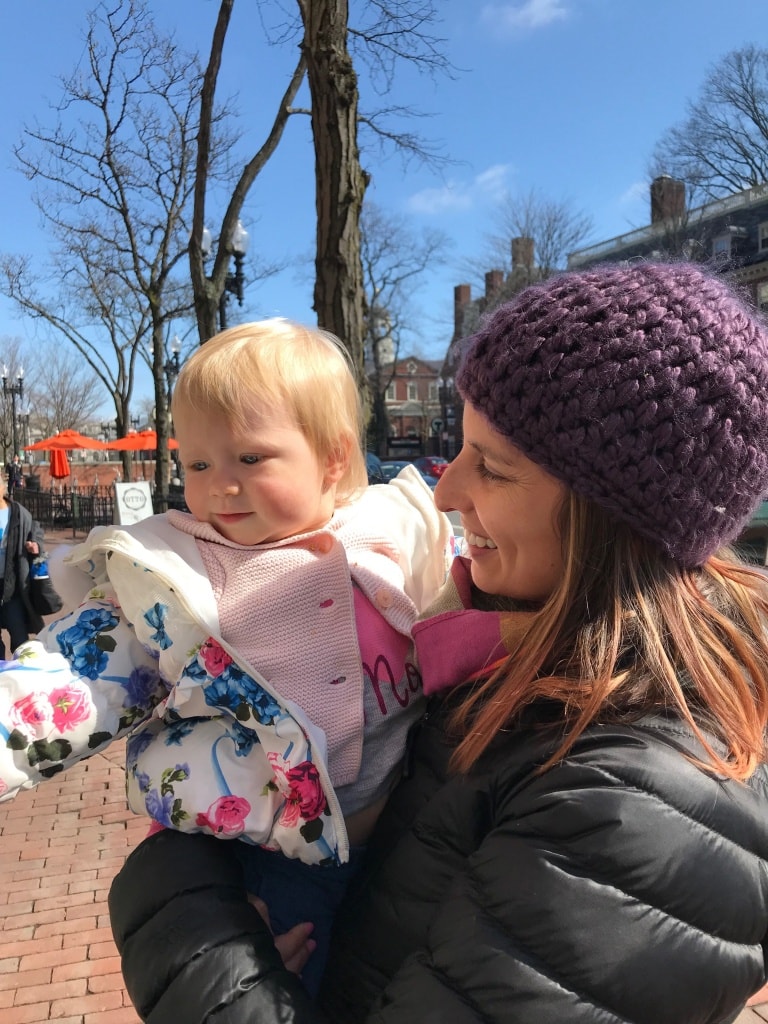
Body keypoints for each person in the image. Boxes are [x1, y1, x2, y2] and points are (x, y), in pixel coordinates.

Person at [109, 261, 768, 1024]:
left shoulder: (632, 807)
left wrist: (192, 925)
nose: (446, 491)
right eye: (462, 448)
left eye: (493, 467)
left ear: (610, 517)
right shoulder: (500, 647)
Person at [0, 319, 453, 995]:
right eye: (199, 465)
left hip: (401, 828)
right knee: (293, 986)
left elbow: (458, 596)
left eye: (249, 458)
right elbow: (80, 673)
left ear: (332, 458)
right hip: (275, 857)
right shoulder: (180, 573)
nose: (220, 486)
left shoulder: (385, 530)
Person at [0, 489, 44, 659]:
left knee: (19, 637)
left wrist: (36, 545)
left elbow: (36, 532)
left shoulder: (19, 513)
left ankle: (21, 670)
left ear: (3, 489)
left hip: (13, 587)